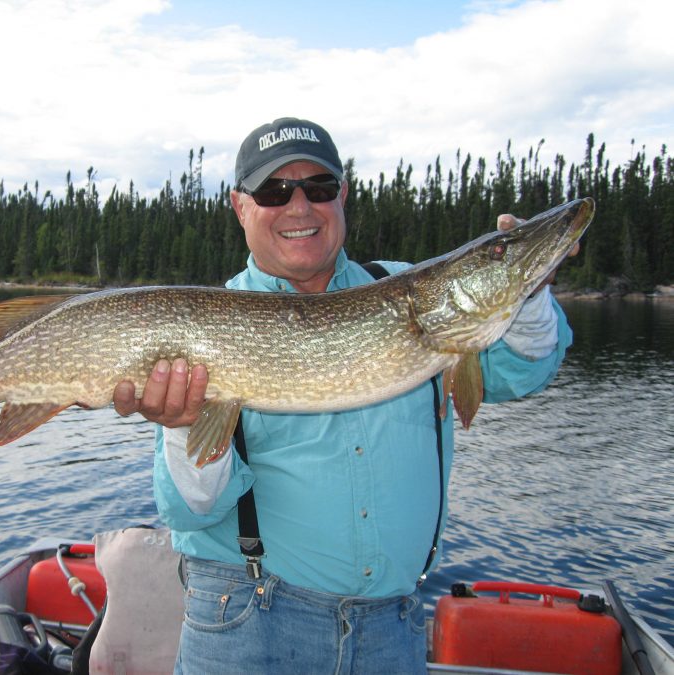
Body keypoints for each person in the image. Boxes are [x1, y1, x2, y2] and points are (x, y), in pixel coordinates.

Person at [113, 117, 575, 674]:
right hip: (249, 624)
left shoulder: (413, 296)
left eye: (319, 187)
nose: (299, 207)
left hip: (392, 631)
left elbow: (525, 371)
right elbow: (191, 510)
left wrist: (528, 287)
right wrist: (183, 423)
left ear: (343, 196)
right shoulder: (203, 324)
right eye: (274, 191)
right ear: (240, 207)